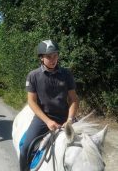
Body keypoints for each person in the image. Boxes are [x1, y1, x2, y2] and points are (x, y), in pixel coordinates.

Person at [19, 40, 79, 171]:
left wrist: (69, 119)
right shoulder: (33, 76)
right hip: (43, 119)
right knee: (25, 148)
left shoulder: (66, 74)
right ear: (41, 57)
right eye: (49, 56)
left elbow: (74, 99)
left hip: (66, 118)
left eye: (55, 55)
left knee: (87, 144)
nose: (53, 59)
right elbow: (31, 102)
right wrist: (47, 121)